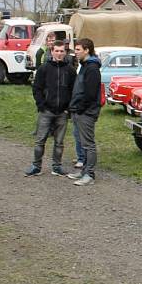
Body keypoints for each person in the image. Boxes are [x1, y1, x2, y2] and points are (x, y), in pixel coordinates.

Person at [25, 40, 77, 177]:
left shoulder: (70, 70)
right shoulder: (44, 68)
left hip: (63, 112)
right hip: (46, 111)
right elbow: (37, 88)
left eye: (62, 51)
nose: (59, 53)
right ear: (52, 51)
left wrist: (68, 109)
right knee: (40, 140)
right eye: (57, 51)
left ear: (65, 52)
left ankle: (57, 167)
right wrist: (41, 105)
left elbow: (74, 91)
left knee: (59, 142)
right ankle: (36, 166)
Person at [67, 38, 101, 186]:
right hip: (79, 111)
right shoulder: (84, 65)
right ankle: (83, 171)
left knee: (88, 144)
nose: (75, 52)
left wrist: (80, 109)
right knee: (82, 141)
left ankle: (89, 175)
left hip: (86, 112)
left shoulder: (92, 68)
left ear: (87, 50)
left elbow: (91, 93)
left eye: (78, 50)